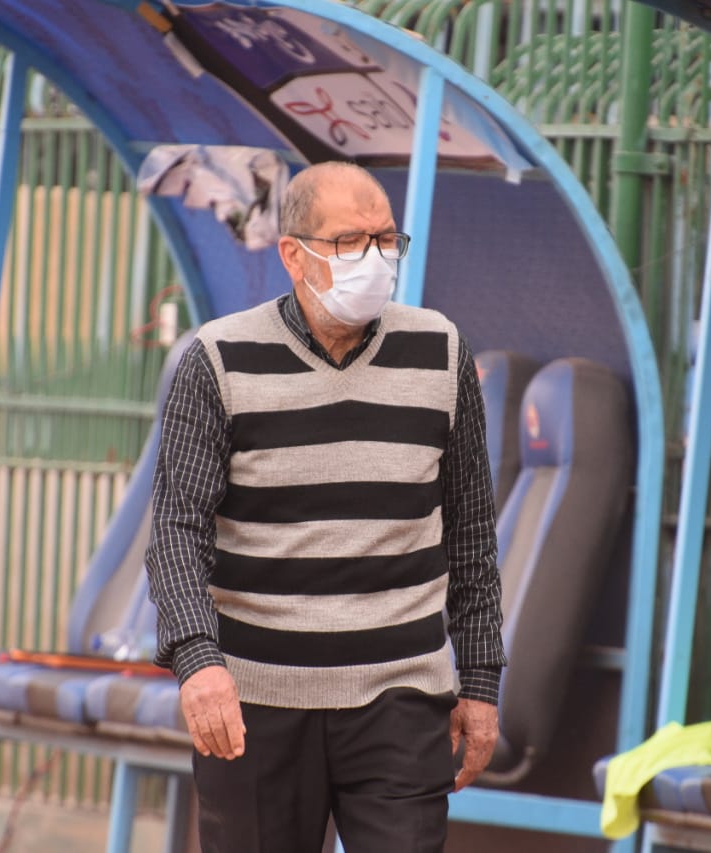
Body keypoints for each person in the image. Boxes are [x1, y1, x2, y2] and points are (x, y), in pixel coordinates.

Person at [147, 161, 506, 853]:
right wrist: (198, 661)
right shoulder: (218, 361)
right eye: (349, 242)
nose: (373, 259)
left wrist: (482, 681)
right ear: (293, 254)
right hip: (255, 701)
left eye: (386, 239)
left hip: (401, 696)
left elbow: (470, 534)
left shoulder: (441, 352)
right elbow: (176, 532)